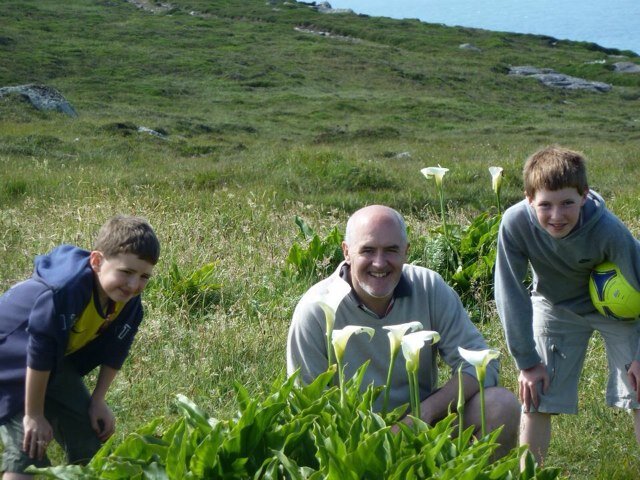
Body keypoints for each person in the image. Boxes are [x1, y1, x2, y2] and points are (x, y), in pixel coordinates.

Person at [287, 204, 520, 456]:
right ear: (346, 252)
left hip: (422, 426)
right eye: (367, 250)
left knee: (501, 405)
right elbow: (305, 402)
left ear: (406, 252)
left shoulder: (429, 287)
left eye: (391, 250)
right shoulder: (316, 308)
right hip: (350, 440)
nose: (379, 262)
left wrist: (424, 414)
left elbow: (481, 364)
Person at [495, 146, 640, 464]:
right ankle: (532, 472)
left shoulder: (609, 231)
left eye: (567, 204)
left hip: (615, 310)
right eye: (545, 205)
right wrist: (527, 362)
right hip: (555, 304)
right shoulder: (515, 224)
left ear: (585, 195)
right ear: (529, 198)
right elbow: (509, 293)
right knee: (535, 396)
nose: (556, 216)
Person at [0, 215, 160, 479]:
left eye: (144, 276)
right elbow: (38, 352)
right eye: (126, 272)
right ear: (97, 261)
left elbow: (117, 350)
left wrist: (98, 400)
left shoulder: (129, 303)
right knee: (29, 448)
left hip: (49, 363)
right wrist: (34, 414)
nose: (134, 285)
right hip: (8, 355)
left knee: (89, 440)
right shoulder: (64, 292)